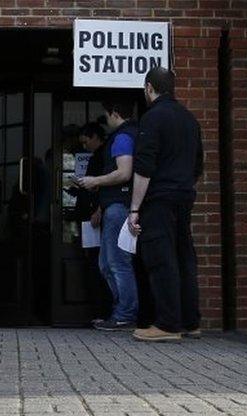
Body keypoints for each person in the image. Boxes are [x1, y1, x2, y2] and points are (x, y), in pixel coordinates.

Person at [128, 66, 203, 342]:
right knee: (184, 257)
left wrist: (135, 209)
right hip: (184, 196)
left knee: (161, 259)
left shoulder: (152, 118)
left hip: (159, 198)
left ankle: (168, 325)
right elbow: (198, 164)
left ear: (149, 88)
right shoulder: (190, 120)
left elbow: (144, 167)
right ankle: (189, 322)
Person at [79, 98, 140, 331]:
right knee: (107, 263)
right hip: (115, 205)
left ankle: (125, 313)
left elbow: (124, 172)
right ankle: (122, 311)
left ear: (115, 113)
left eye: (106, 114)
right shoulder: (134, 133)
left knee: (116, 263)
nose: (105, 119)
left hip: (118, 207)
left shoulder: (123, 137)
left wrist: (96, 180)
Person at [66, 122, 111, 321]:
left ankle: (102, 310)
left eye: (86, 142)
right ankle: (100, 310)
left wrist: (98, 209)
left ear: (95, 137)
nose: (84, 147)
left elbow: (105, 186)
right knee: (96, 261)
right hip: (91, 214)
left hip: (95, 215)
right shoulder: (98, 156)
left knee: (98, 262)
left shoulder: (102, 156)